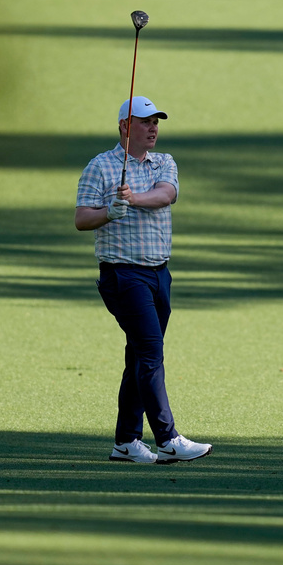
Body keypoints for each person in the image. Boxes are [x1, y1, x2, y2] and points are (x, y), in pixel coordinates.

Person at [74, 95, 212, 464]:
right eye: (145, 121)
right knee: (150, 353)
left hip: (159, 274)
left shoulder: (164, 162)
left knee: (138, 355)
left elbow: (167, 195)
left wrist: (131, 200)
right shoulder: (100, 167)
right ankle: (167, 439)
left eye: (156, 122)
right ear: (124, 126)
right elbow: (82, 218)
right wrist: (109, 211)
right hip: (122, 274)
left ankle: (126, 442)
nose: (153, 128)